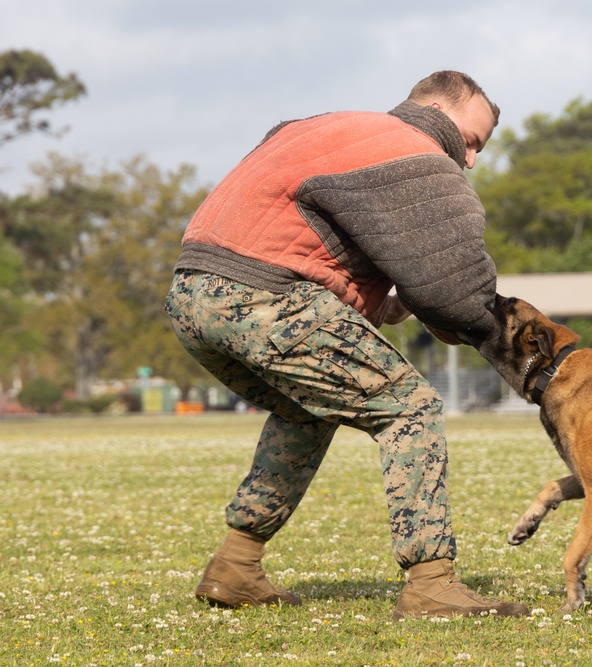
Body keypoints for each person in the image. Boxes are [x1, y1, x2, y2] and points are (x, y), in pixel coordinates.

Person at [164, 71, 528, 620]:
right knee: (411, 407)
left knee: (305, 410)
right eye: (471, 141)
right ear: (435, 107)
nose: (470, 160)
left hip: (193, 295)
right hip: (264, 296)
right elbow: (456, 289)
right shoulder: (413, 151)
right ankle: (432, 584)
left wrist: (407, 299)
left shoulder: (322, 129)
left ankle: (236, 566)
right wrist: (512, 350)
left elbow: (324, 257)